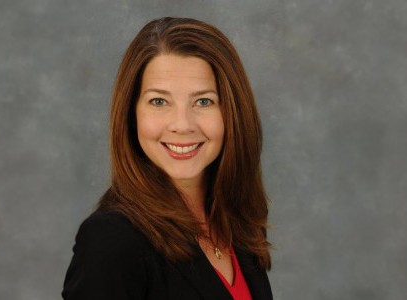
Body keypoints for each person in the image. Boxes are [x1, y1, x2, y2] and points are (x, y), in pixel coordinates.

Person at [62, 17, 272, 300]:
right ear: (131, 114)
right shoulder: (111, 241)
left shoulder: (237, 222)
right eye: (159, 101)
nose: (182, 125)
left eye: (203, 101)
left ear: (232, 113)